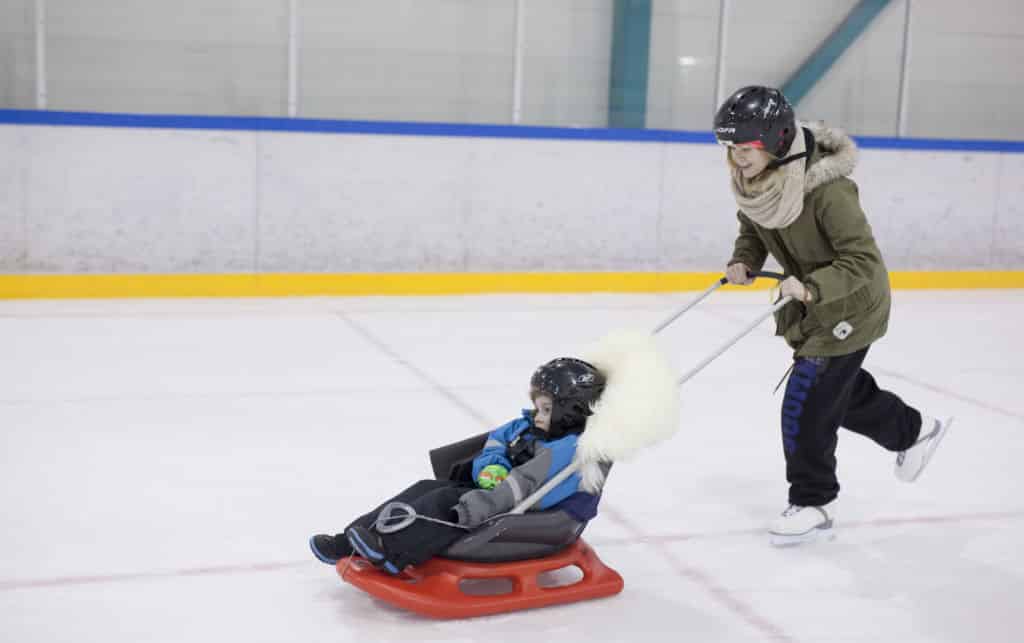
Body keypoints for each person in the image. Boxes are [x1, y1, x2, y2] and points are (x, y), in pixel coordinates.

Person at [713, 85, 952, 545]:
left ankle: (814, 501)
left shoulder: (829, 191)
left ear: (776, 140)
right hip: (812, 305)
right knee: (836, 393)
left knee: (806, 400)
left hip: (850, 304)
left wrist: (813, 286)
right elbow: (753, 225)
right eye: (729, 148)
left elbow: (862, 261)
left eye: (744, 148)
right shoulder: (760, 182)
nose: (736, 158)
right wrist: (744, 257)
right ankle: (915, 431)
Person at [308, 357, 609, 574]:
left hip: (519, 508)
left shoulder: (572, 452)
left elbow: (525, 487)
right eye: (537, 405)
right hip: (494, 488)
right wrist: (492, 467)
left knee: (443, 503)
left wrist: (473, 508)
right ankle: (349, 540)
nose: (538, 414)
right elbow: (496, 443)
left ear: (571, 412)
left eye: (546, 409)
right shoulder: (529, 426)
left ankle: (391, 553)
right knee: (426, 488)